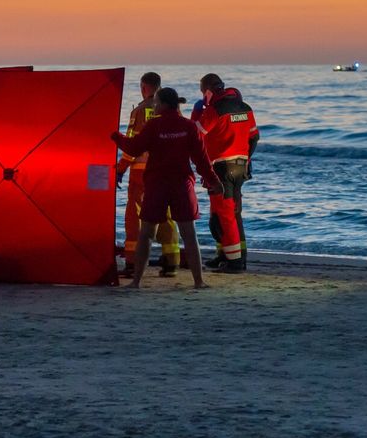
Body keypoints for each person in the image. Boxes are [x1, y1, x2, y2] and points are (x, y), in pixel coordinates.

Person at [110, 87, 218, 289]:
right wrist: (213, 180)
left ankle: (136, 282)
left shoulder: (154, 126)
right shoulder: (188, 126)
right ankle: (198, 281)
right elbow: (201, 160)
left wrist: (115, 136)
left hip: (157, 184)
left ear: (166, 104)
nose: (154, 105)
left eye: (157, 102)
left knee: (146, 234)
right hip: (181, 184)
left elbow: (133, 148)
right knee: (189, 233)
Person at [115, 71, 181, 277]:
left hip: (141, 171)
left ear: (143, 87)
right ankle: (171, 261)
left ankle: (133, 263)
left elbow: (132, 144)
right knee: (166, 213)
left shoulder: (140, 111)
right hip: (168, 170)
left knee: (135, 215)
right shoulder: (174, 111)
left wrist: (120, 168)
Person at [194, 73, 258, 273]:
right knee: (227, 212)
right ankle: (227, 254)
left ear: (208, 91)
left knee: (225, 214)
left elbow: (195, 135)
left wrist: (197, 113)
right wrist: (247, 158)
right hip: (241, 166)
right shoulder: (245, 108)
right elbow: (254, 138)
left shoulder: (215, 110)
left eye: (203, 93)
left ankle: (235, 262)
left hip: (222, 167)